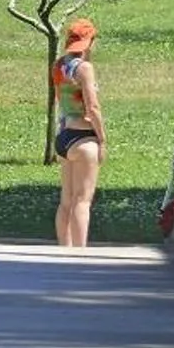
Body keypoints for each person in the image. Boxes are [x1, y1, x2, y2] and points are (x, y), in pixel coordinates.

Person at [52, 17, 104, 247]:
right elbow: (92, 107)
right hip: (84, 139)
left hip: (64, 136)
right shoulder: (84, 68)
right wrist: (102, 140)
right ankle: (81, 255)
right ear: (90, 41)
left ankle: (64, 250)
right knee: (82, 201)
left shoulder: (59, 65)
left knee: (66, 200)